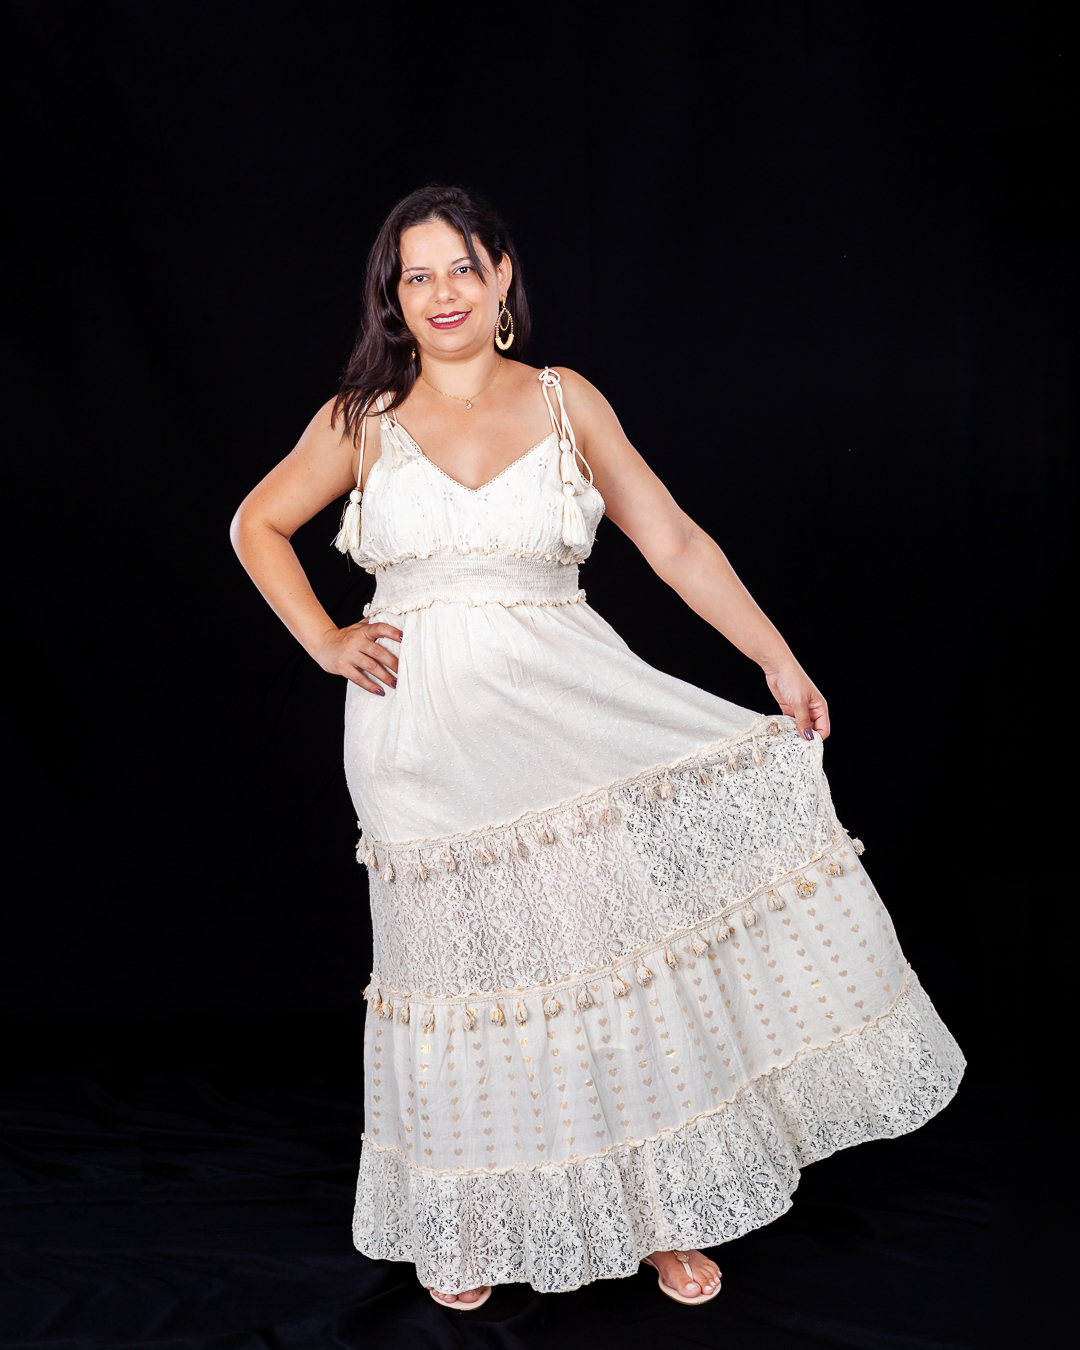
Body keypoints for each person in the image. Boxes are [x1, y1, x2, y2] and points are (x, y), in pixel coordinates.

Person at [230, 184, 964, 1310]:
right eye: (417, 276)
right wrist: (326, 639)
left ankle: (659, 1211)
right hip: (418, 742)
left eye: (461, 268)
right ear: (394, 296)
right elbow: (257, 524)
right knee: (459, 974)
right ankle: (474, 1221)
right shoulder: (360, 419)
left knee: (606, 962)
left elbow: (672, 539)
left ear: (502, 276)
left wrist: (777, 660)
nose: (441, 293)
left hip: (569, 714)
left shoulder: (565, 401)